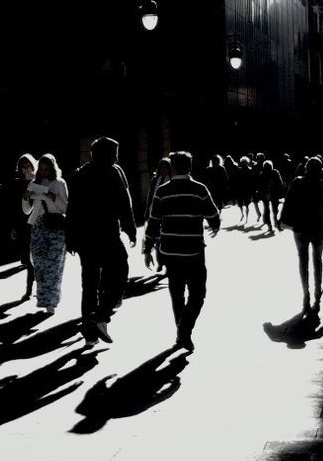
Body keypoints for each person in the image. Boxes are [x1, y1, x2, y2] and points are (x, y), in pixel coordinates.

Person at [144, 150, 220, 352]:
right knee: (198, 294)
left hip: (169, 251)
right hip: (193, 250)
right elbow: (213, 214)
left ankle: (182, 333)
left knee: (177, 293)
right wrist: (215, 225)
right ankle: (184, 331)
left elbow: (153, 221)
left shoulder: (162, 191)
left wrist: (148, 248)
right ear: (190, 166)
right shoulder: (199, 189)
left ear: (173, 167)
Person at [68, 137, 137, 344]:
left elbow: (72, 209)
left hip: (84, 238)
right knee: (120, 273)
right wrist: (131, 229)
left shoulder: (80, 174)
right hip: (107, 235)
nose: (116, 157)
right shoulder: (113, 172)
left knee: (89, 284)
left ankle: (90, 334)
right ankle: (101, 315)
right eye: (114, 153)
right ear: (106, 154)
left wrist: (70, 238)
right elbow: (125, 204)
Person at [277, 156, 323, 314]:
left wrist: (281, 221)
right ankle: (318, 292)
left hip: (300, 228)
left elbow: (288, 203)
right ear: (321, 170)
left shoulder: (297, 183)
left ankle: (306, 294)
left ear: (306, 168)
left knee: (303, 261)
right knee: (317, 260)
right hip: (318, 228)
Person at [23, 154, 69, 314]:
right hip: (38, 226)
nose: (43, 172)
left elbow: (65, 208)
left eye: (46, 168)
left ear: (51, 168)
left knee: (54, 266)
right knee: (39, 264)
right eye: (40, 169)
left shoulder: (59, 183)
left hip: (56, 227)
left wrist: (53, 197)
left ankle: (51, 302)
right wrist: (25, 198)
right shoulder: (33, 184)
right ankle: (43, 298)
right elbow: (26, 210)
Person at [0, 153, 38, 300]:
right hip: (22, 223)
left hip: (37, 223)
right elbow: (13, 208)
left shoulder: (39, 182)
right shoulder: (17, 184)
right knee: (27, 258)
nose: (25, 169)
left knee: (35, 256)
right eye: (22, 167)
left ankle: (31, 288)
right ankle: (30, 285)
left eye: (27, 166)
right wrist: (13, 227)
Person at [144, 158, 173, 274]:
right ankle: (160, 262)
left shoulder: (171, 180)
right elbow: (150, 195)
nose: (164, 169)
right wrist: (147, 211)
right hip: (154, 213)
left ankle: (167, 264)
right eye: (162, 167)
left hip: (167, 215)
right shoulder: (155, 179)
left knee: (164, 240)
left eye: (166, 167)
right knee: (156, 240)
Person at [258, 159, 284, 234]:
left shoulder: (262, 174)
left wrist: (263, 194)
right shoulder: (275, 172)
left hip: (265, 194)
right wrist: (281, 193)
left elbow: (260, 185)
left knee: (267, 209)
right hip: (274, 194)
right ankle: (275, 222)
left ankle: (270, 225)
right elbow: (280, 183)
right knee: (275, 209)